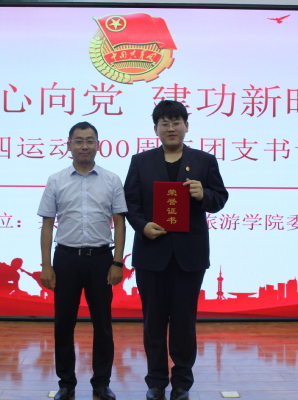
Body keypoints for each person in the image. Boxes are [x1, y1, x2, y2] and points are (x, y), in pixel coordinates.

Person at [124, 100, 229, 400]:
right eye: (164, 123)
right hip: (151, 253)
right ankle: (156, 382)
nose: (170, 128)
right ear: (155, 129)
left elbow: (220, 198)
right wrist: (142, 226)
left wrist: (203, 194)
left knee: (184, 322)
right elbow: (130, 203)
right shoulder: (141, 161)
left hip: (189, 256)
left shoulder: (204, 161)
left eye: (176, 122)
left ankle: (182, 382)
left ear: (186, 126)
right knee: (153, 322)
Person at [38, 121, 127, 400]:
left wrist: (117, 262)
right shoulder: (56, 180)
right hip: (66, 258)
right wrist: (46, 265)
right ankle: (66, 383)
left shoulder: (112, 180)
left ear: (98, 145)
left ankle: (101, 382)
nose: (84, 146)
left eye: (89, 140)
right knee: (64, 324)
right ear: (69, 145)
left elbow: (120, 223)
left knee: (103, 324)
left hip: (101, 259)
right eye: (78, 141)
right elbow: (47, 225)